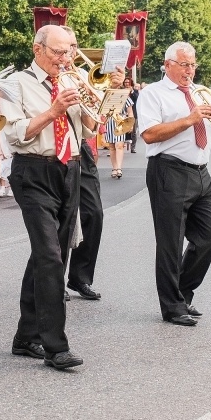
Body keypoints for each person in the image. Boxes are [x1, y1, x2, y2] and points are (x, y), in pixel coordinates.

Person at [1, 25, 97, 370]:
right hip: (34, 170)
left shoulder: (70, 79)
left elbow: (89, 129)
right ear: (37, 49)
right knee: (49, 256)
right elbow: (13, 134)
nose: (66, 58)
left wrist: (90, 104)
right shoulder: (16, 84)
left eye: (70, 50)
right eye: (58, 52)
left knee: (51, 256)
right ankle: (55, 346)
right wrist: (53, 111)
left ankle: (26, 337)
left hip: (69, 169)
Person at [136, 41, 211, 327]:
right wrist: (190, 119)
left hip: (201, 172)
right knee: (170, 244)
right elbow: (149, 135)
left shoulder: (201, 93)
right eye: (184, 64)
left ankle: (182, 293)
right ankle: (172, 306)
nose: (190, 70)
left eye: (193, 64)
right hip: (169, 170)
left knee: (209, 237)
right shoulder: (153, 94)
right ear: (168, 65)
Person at [60, 26, 124, 301]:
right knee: (60, 219)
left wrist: (114, 87)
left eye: (75, 46)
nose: (73, 52)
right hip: (55, 149)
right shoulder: (49, 76)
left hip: (81, 148)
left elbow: (101, 115)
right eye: (67, 47)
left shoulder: (83, 76)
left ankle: (80, 277)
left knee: (94, 213)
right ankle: (54, 280)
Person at [128, 80, 140, 153]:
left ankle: (133, 147)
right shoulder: (123, 90)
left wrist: (132, 91)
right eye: (125, 83)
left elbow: (136, 98)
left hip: (134, 114)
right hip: (123, 113)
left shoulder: (135, 92)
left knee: (133, 131)